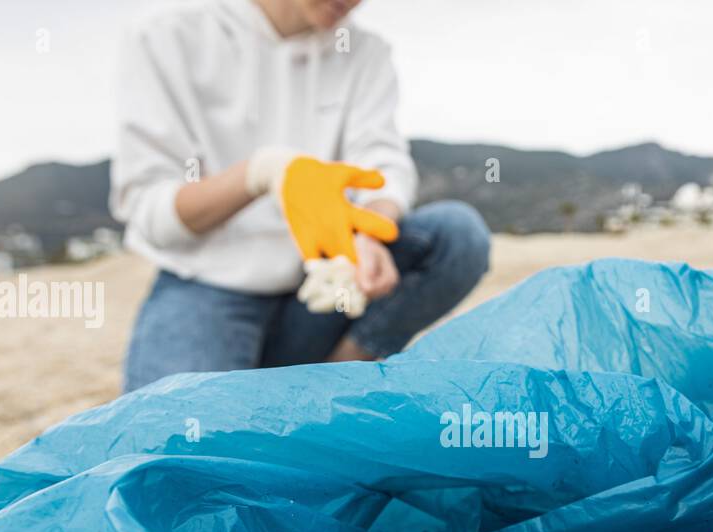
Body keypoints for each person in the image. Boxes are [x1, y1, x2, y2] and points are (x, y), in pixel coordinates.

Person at [111, 0, 491, 392]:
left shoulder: (363, 51)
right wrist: (262, 172)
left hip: (324, 286)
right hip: (206, 290)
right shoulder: (167, 34)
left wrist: (370, 232)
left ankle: (336, 378)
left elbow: (382, 162)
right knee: (175, 442)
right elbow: (151, 211)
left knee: (457, 234)